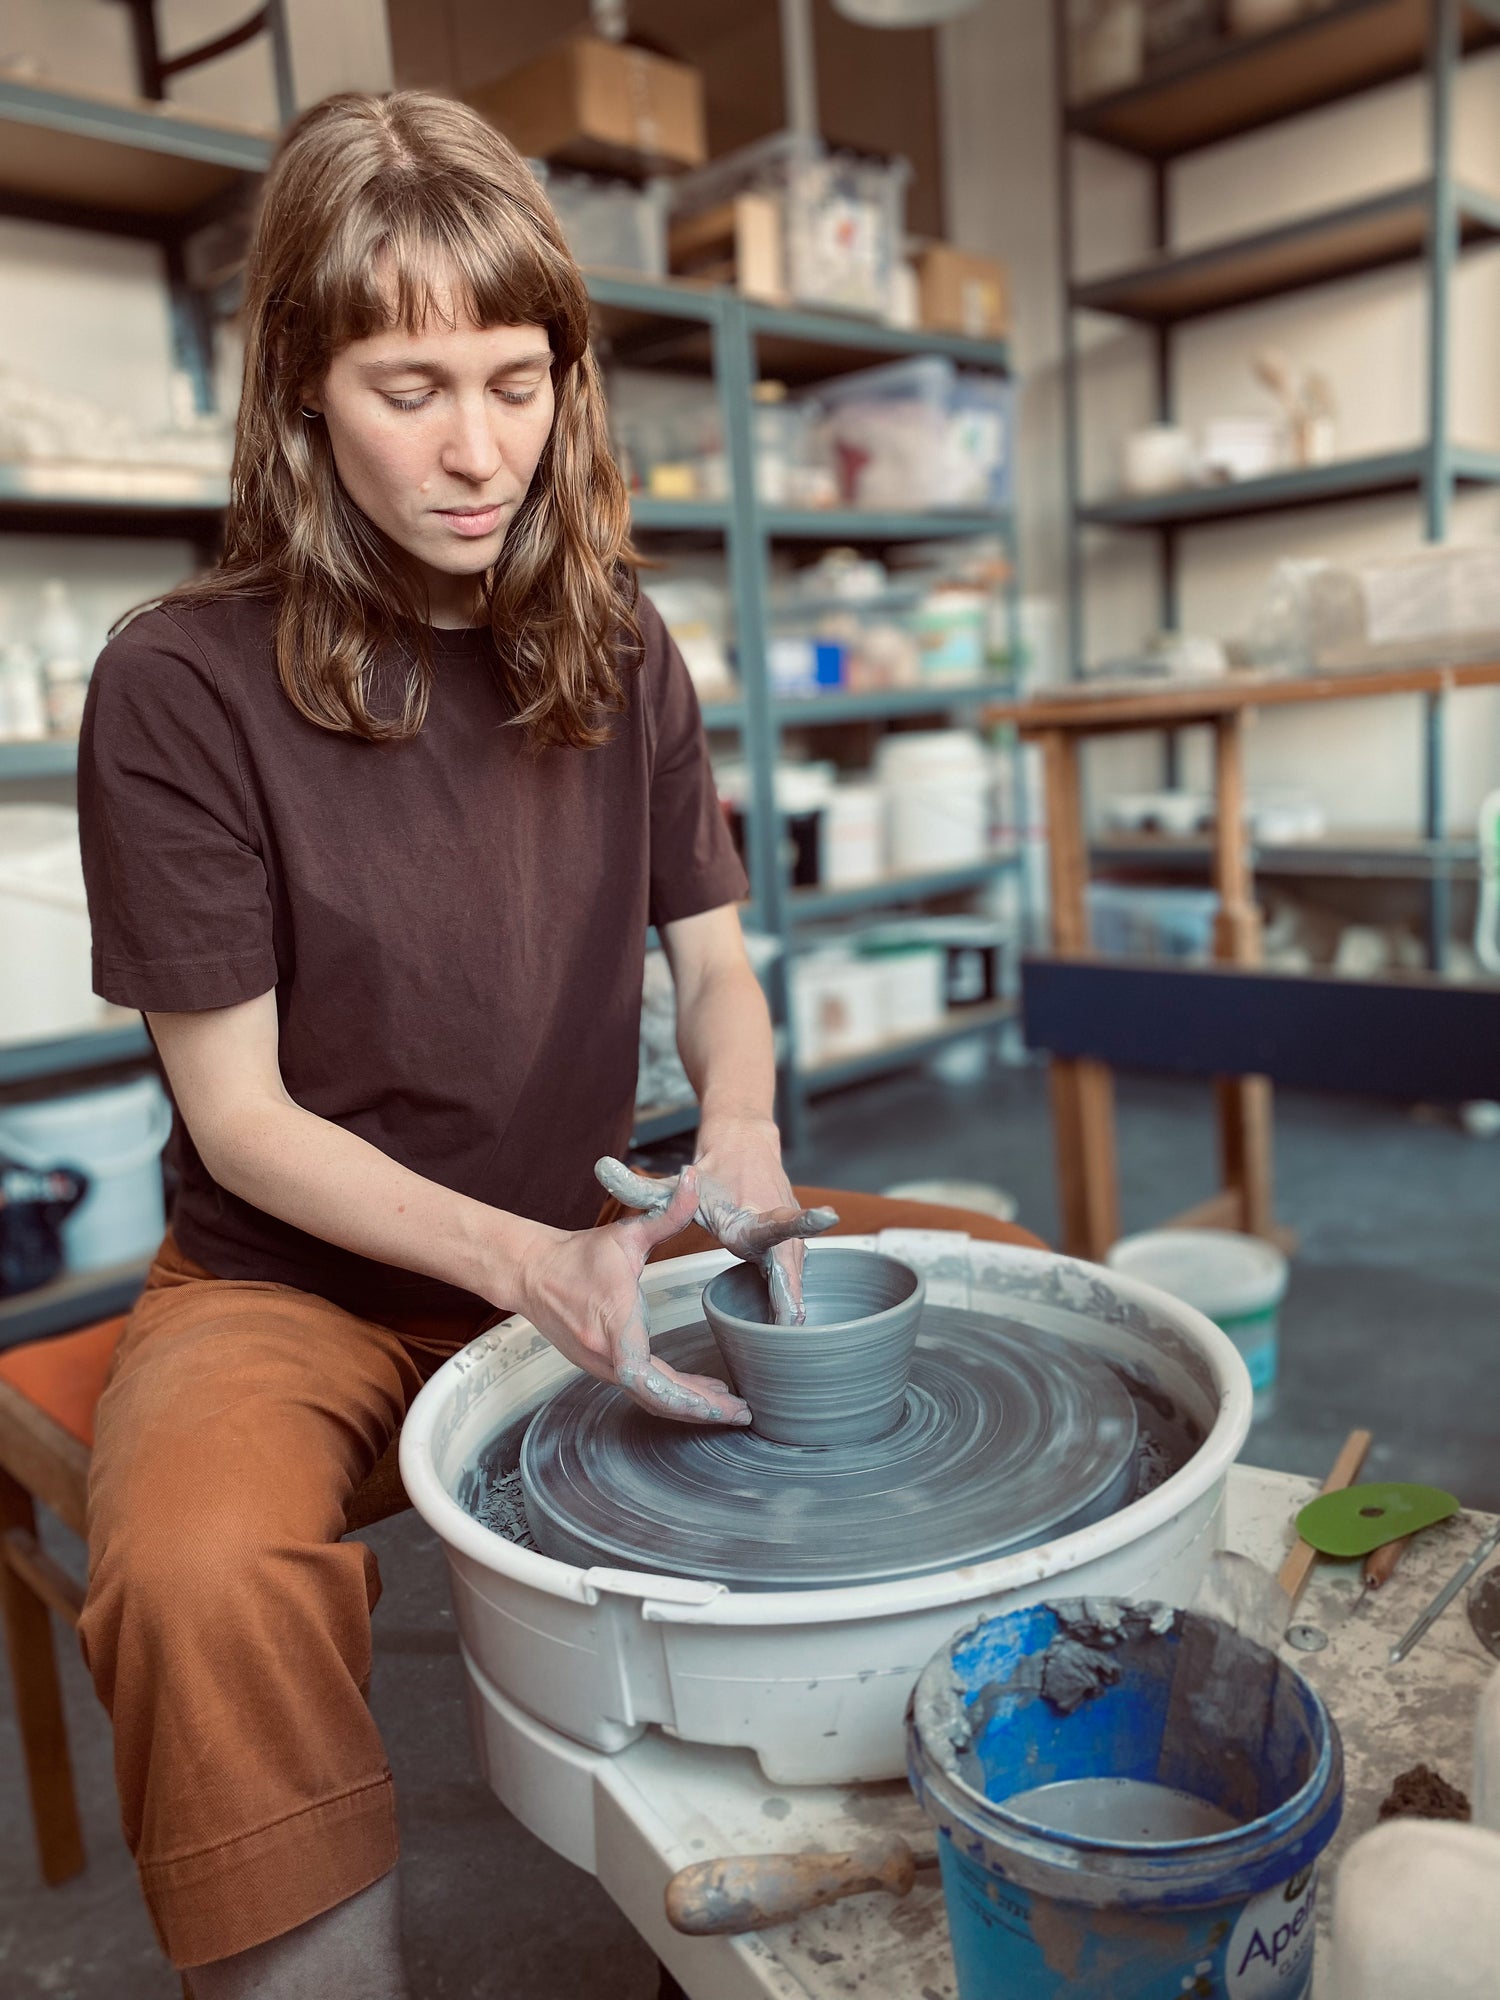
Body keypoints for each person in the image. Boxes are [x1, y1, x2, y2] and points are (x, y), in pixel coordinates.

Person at [75, 89, 1034, 1998]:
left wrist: (741, 1132)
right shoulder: (175, 682)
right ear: (300, 395)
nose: (478, 447)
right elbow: (244, 1122)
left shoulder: (618, 645)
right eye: (409, 386)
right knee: (193, 1576)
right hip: (302, 1280)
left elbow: (721, 975)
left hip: (604, 1233)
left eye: (515, 379)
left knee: (993, 1300)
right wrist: (532, 1268)